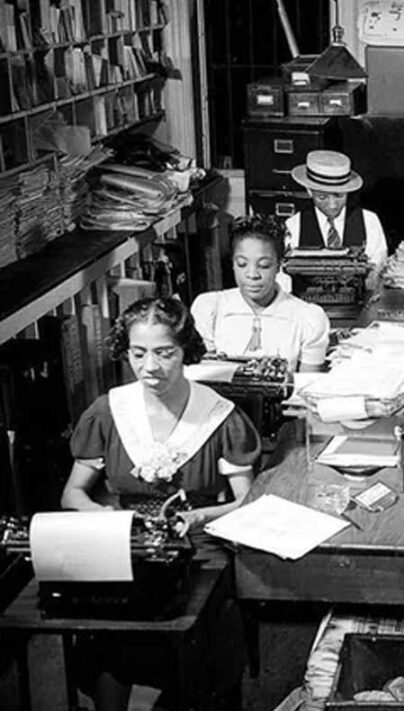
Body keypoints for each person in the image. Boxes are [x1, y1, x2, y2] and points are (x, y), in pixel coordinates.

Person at [60, 297, 261, 711]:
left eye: (164, 353)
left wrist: (199, 516)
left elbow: (247, 501)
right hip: (127, 543)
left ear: (186, 351)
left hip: (200, 545)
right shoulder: (109, 411)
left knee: (195, 623)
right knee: (108, 624)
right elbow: (72, 494)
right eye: (138, 353)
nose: (150, 366)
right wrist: (108, 518)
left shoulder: (219, 416)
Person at [191, 215, 330, 371]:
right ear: (232, 264)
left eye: (264, 265)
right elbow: (204, 375)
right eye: (242, 264)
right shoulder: (210, 308)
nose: (252, 275)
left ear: (279, 265)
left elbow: (307, 385)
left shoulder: (307, 318)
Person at [285, 149, 389, 281]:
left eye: (339, 196)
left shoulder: (369, 221)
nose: (332, 205)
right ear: (309, 191)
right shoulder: (293, 226)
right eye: (322, 197)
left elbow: (379, 269)